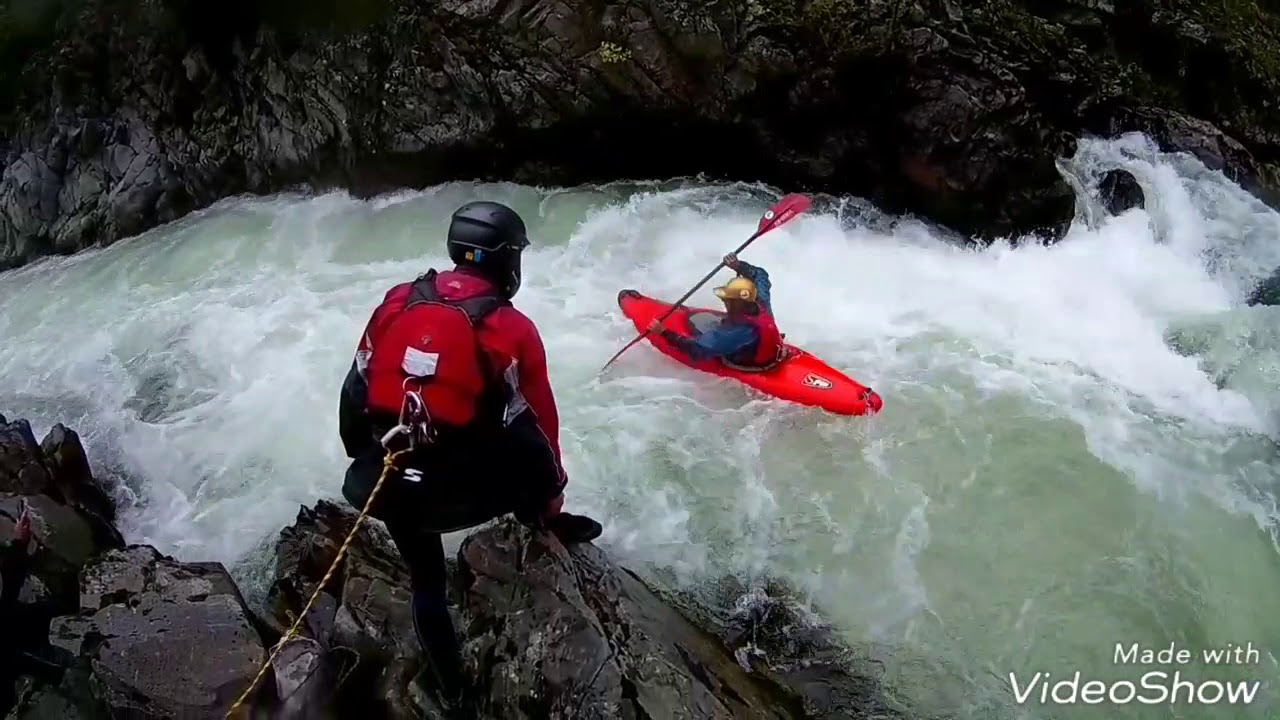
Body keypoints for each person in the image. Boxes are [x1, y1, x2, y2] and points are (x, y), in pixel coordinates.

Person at [337, 200, 602, 717]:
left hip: (387, 478)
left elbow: (355, 389)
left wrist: (365, 459)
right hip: (459, 492)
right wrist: (551, 496)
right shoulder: (511, 328)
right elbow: (539, 428)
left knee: (426, 582)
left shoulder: (397, 300)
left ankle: (452, 692)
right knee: (517, 443)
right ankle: (540, 525)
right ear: (507, 262)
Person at [648, 253, 786, 369]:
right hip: (774, 353)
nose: (723, 301)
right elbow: (760, 275)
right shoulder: (761, 300)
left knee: (700, 330)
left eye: (727, 300)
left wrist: (664, 332)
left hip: (748, 362)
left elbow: (696, 350)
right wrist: (738, 266)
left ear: (736, 304)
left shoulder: (734, 333)